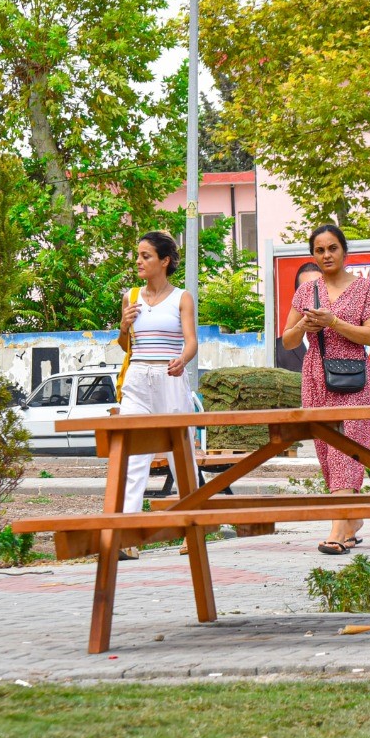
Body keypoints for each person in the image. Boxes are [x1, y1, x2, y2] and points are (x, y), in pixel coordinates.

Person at [279, 223, 370, 555]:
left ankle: (338, 528)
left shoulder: (365, 289)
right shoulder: (306, 291)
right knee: (326, 449)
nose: (326, 255)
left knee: (348, 446)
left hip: (353, 375)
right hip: (315, 375)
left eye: (332, 248)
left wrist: (334, 322)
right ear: (313, 255)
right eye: (319, 250)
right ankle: (351, 519)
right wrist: (304, 325)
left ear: (344, 251)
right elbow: (288, 340)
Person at [116, 231, 199, 558]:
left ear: (164, 261)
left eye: (146, 255)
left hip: (169, 376)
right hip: (137, 378)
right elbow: (126, 345)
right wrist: (123, 327)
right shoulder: (130, 296)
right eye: (138, 254)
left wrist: (183, 359)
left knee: (182, 455)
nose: (138, 261)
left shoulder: (182, 297)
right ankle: (127, 536)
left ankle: (191, 530)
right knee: (133, 456)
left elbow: (191, 340)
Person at [274, 261, 323, 373]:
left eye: (319, 289)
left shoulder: (340, 339)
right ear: (298, 296)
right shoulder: (278, 350)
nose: (314, 296)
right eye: (307, 291)